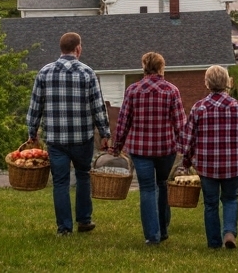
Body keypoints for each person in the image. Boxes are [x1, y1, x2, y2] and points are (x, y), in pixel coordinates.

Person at [26, 32, 111, 237]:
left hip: (56, 139)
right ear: (78, 49)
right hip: (82, 137)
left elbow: (35, 106)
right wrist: (105, 132)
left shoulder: (44, 72)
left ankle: (64, 228)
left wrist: (32, 132)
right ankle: (84, 220)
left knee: (60, 182)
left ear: (61, 48)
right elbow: (98, 107)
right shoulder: (87, 73)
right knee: (83, 176)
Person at [180, 65, 238, 249]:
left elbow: (189, 141)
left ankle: (213, 243)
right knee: (230, 199)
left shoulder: (198, 108)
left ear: (207, 83)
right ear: (227, 82)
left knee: (210, 203)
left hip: (207, 166)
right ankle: (229, 233)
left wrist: (186, 162)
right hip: (232, 166)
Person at [112, 52, 185, 246]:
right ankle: (163, 229)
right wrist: (186, 149)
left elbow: (123, 122)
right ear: (161, 68)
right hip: (165, 148)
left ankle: (152, 236)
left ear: (144, 67)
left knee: (146, 189)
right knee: (162, 184)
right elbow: (180, 124)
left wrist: (117, 146)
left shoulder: (133, 90)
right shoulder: (171, 91)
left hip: (139, 149)